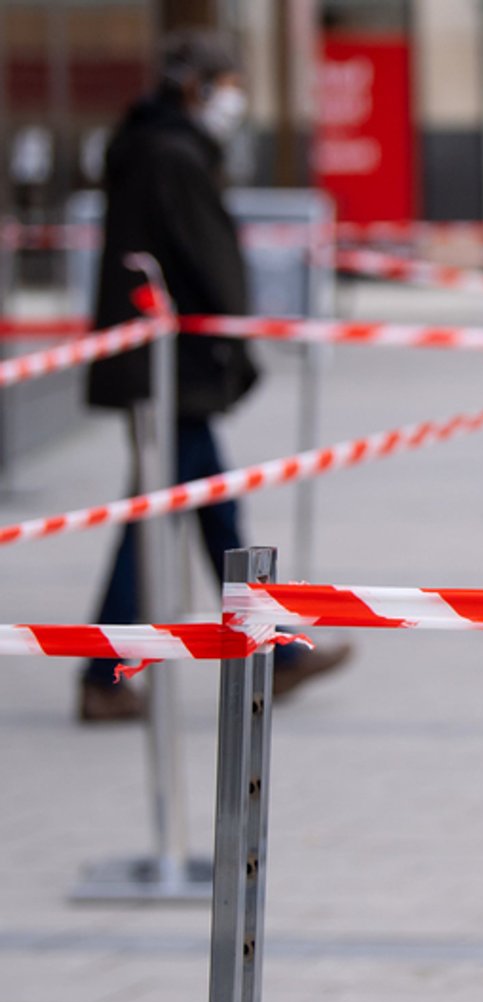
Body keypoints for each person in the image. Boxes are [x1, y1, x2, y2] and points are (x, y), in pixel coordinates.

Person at [80, 29, 348, 723]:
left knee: (186, 510)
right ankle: (119, 672)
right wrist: (236, 332)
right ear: (195, 87)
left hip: (163, 365)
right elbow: (211, 262)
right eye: (228, 83)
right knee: (197, 510)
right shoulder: (173, 156)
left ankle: (258, 652)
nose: (236, 98)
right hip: (173, 366)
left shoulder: (153, 148)